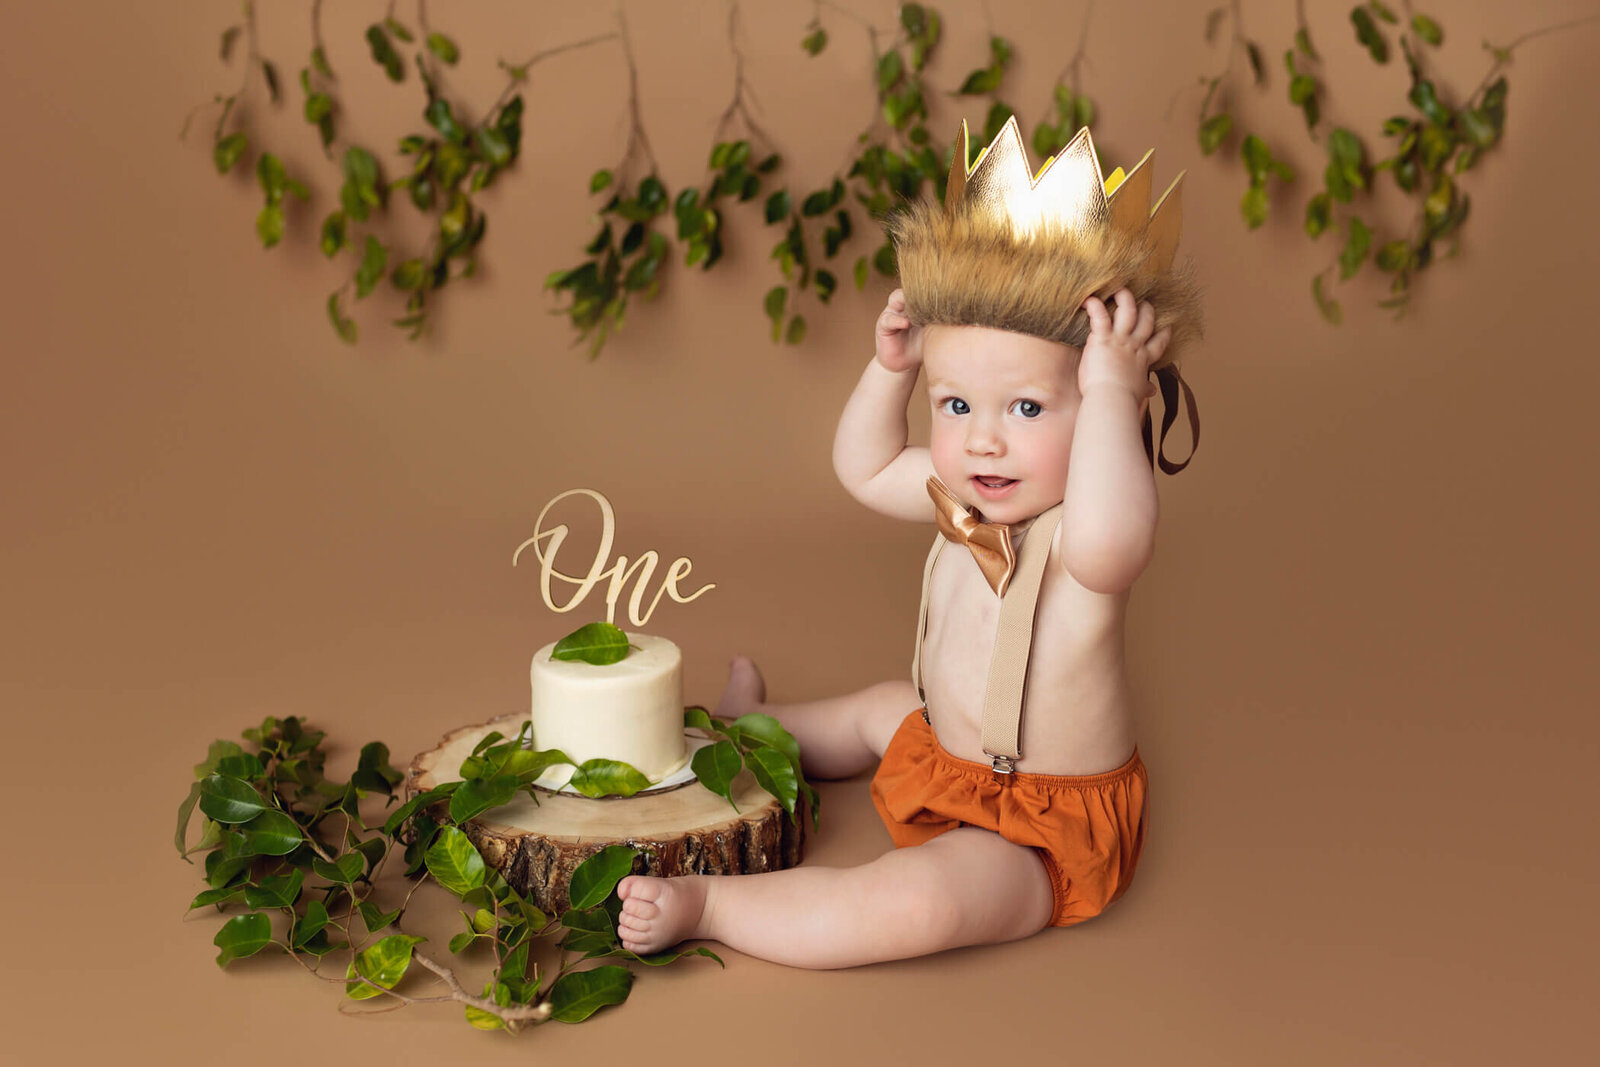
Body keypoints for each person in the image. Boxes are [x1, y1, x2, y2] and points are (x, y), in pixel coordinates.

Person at [616, 117, 1201, 968]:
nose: (985, 442)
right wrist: (891, 369)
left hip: (1033, 829)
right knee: (875, 706)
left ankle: (712, 903)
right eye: (956, 404)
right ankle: (755, 724)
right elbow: (868, 465)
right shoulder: (966, 492)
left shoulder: (1088, 533)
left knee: (914, 898)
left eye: (1028, 409)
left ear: (1105, 409)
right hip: (947, 754)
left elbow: (1117, 543)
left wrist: (1116, 389)